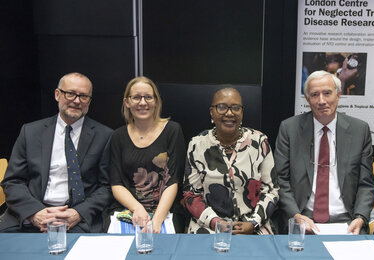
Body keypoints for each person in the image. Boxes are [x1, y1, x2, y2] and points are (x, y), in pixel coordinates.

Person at [0, 72, 113, 233]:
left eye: (83, 96)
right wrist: (36, 213)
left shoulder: (105, 136)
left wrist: (77, 213)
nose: (76, 100)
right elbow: (12, 182)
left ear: (89, 101)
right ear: (57, 94)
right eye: (71, 93)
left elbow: (107, 187)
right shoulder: (30, 132)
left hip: (77, 219)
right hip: (31, 216)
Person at [275, 70, 374, 234]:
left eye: (327, 93)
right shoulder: (289, 129)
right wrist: (296, 215)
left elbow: (367, 184)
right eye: (315, 95)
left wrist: (360, 217)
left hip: (347, 220)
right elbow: (280, 181)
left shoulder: (359, 130)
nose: (321, 101)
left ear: (338, 95)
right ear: (308, 99)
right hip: (303, 218)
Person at [183, 86, 279, 234]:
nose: (229, 113)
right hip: (209, 225)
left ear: (242, 112)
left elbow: (271, 191)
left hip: (253, 225)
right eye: (221, 107)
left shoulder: (260, 141)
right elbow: (191, 194)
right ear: (212, 112)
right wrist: (216, 223)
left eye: (235, 108)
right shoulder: (197, 144)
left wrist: (253, 223)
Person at [109, 76, 186, 233]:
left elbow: (173, 181)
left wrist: (156, 221)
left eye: (148, 97)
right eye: (136, 97)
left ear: (156, 101)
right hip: (128, 209)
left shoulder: (172, 130)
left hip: (166, 211)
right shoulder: (118, 136)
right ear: (127, 102)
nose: (142, 103)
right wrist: (137, 208)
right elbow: (116, 183)